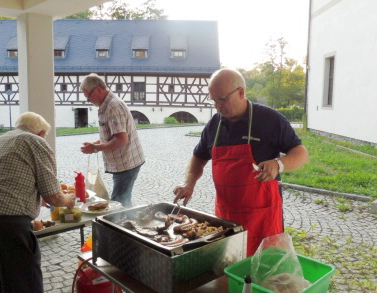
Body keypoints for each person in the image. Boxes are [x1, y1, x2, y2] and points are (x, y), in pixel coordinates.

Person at [173, 68, 309, 257]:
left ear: (241, 92)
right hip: (226, 215)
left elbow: (301, 153)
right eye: (213, 100)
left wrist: (279, 164)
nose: (217, 106)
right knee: (228, 267)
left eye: (222, 99)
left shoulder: (270, 120)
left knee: (264, 270)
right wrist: (189, 182)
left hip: (263, 216)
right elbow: (199, 156)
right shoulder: (214, 125)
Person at [0, 112, 76, 293]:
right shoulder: (35, 141)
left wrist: (33, 195)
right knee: (23, 284)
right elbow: (53, 197)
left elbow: (3, 181)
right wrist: (70, 201)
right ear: (41, 133)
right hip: (4, 225)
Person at [80, 73, 145, 207]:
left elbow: (121, 140)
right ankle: (127, 223)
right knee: (122, 201)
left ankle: (123, 225)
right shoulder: (107, 105)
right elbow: (113, 134)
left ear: (98, 89)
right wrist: (97, 143)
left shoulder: (113, 106)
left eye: (89, 96)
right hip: (125, 163)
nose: (88, 101)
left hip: (126, 163)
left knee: (119, 204)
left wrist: (96, 148)